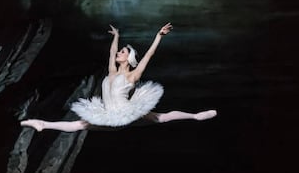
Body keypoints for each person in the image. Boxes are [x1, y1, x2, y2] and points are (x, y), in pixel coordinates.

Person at [20, 23, 217, 132]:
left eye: (122, 52)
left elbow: (148, 55)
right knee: (79, 124)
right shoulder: (112, 71)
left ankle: (196, 116)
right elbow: (111, 51)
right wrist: (116, 36)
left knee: (161, 117)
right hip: (108, 112)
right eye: (120, 51)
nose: (118, 53)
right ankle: (42, 124)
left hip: (125, 111)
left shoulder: (133, 74)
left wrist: (159, 36)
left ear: (128, 58)